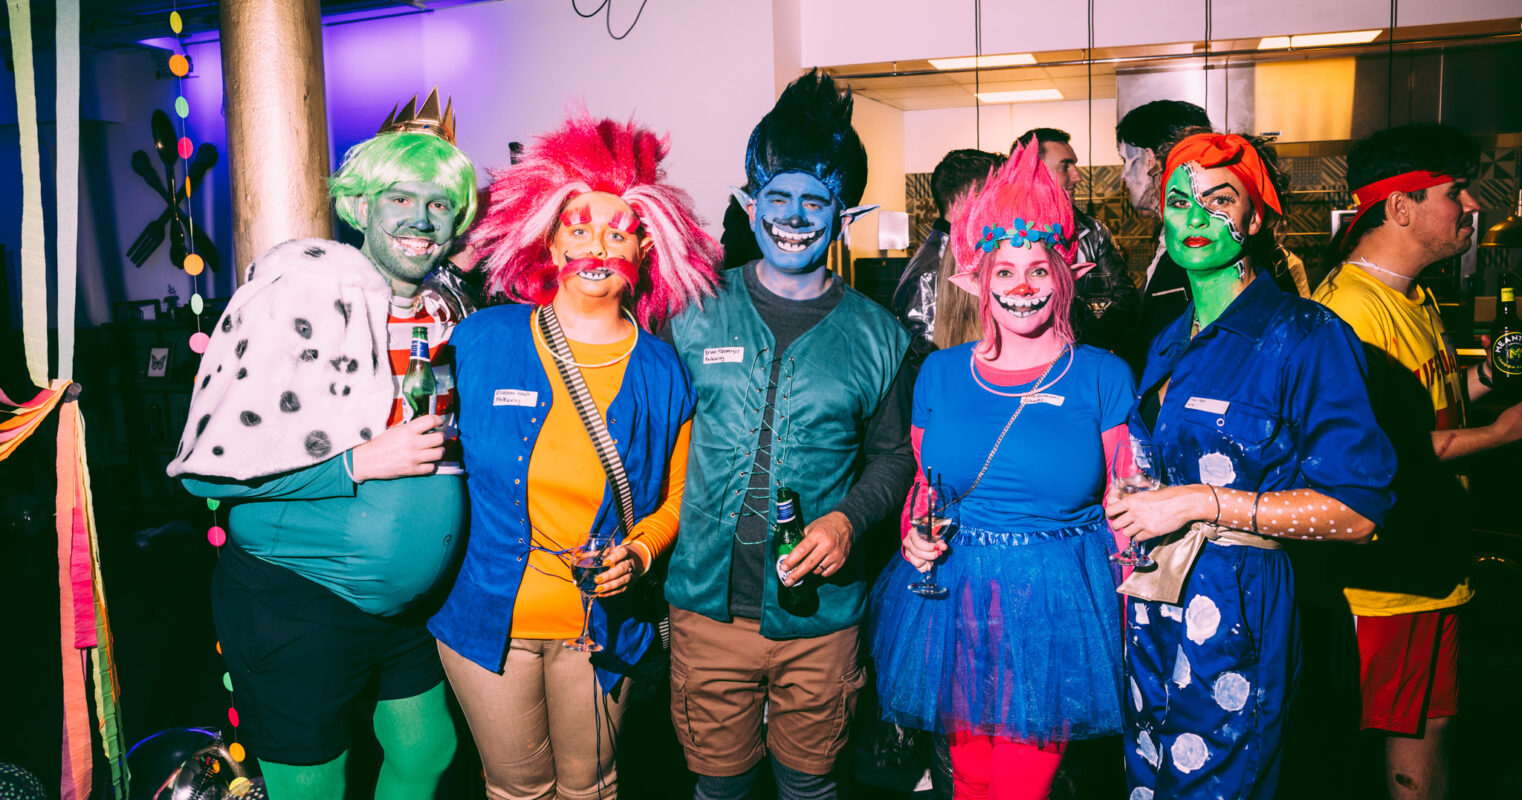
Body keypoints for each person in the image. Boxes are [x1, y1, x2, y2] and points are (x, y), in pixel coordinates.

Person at [166, 89, 477, 800]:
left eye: (440, 205)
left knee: (428, 752)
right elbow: (209, 478)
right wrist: (356, 464)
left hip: (402, 608)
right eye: (402, 198)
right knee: (312, 784)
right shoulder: (301, 292)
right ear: (361, 205)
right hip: (297, 597)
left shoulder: (444, 304)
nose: (423, 220)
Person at [427, 113, 721, 800]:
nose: (597, 245)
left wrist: (641, 553)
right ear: (550, 240)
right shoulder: (480, 342)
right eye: (580, 227)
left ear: (644, 250)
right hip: (486, 619)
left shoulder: (661, 370)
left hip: (601, 626)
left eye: (617, 231)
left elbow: (676, 499)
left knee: (592, 788)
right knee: (516, 790)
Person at [1104, 132, 1396, 800]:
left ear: (1255, 218)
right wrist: (1148, 492)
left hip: (1238, 608)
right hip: (1155, 604)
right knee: (1147, 779)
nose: (1196, 217)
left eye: (1219, 198)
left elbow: (1358, 511)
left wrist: (1200, 503)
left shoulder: (1306, 335)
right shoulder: (1171, 338)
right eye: (1180, 200)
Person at [663, 70, 915, 800]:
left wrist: (849, 519)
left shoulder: (879, 336)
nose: (795, 216)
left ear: (846, 214)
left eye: (816, 200)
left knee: (810, 789)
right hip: (707, 609)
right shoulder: (693, 314)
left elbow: (895, 455)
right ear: (750, 204)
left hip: (823, 621)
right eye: (779, 197)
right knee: (720, 791)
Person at [870, 141, 1135, 800]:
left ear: (1065, 276)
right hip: (953, 602)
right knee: (969, 782)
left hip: (1053, 605)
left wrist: (1133, 621)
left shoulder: (1102, 376)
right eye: (1004, 271)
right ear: (977, 280)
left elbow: (1127, 508)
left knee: (1020, 788)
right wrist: (914, 534)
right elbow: (925, 491)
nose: (1021, 288)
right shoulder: (937, 373)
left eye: (1038, 270)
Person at [1312, 123, 1521, 800]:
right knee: (1357, 759)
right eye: (1453, 192)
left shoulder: (1414, 296)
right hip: (1382, 587)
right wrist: (1501, 435)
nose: (1468, 206)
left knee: (1429, 744)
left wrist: (1489, 374)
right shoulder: (1347, 313)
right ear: (1401, 206)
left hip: (1434, 570)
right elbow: (1375, 457)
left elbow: (1434, 406)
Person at [1014, 127, 1137, 354]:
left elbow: (1123, 298)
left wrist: (1079, 331)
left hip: (1082, 356)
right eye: (1065, 166)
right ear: (1034, 172)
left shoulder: (1093, 231)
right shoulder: (1003, 236)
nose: (1077, 176)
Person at [1115, 100, 1213, 365]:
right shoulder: (1166, 235)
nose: (1124, 174)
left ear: (1149, 159)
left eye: (1126, 160)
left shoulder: (1201, 244)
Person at [891, 148, 1006, 364]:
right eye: (998, 196)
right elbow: (925, 365)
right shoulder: (932, 272)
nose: (1005, 207)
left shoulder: (954, 256)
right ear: (969, 200)